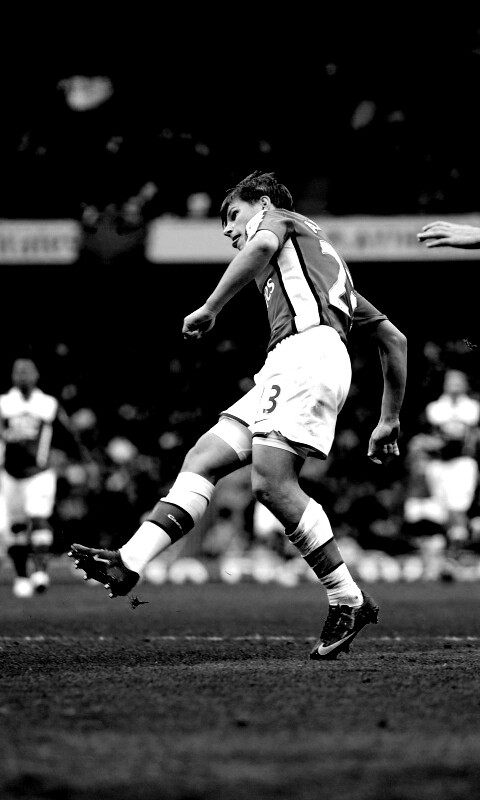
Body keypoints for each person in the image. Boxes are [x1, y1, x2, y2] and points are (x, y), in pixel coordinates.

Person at [69, 171, 407, 660]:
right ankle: (130, 560)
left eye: (233, 215)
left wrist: (211, 307)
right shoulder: (323, 270)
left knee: (271, 484)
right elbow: (394, 339)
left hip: (306, 355)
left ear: (263, 203)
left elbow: (260, 246)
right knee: (203, 457)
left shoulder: (281, 221)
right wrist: (388, 419)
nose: (229, 230)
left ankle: (347, 598)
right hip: (292, 361)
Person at [0, 358, 84, 597]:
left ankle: (40, 573)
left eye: (27, 371)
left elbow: (68, 435)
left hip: (39, 473)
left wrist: (77, 460)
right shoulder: (4, 403)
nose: (22, 375)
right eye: (18, 372)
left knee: (38, 518)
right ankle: (21, 577)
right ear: (12, 376)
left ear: (36, 375)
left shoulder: (47, 404)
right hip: (10, 474)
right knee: (16, 527)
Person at [418, 369, 480, 550]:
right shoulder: (435, 408)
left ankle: (460, 543)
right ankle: (451, 543)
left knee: (459, 504)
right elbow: (428, 436)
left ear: (465, 384)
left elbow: (466, 436)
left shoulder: (473, 408)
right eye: (451, 381)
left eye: (458, 381)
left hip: (462, 462)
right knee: (443, 508)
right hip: (439, 463)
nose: (454, 385)